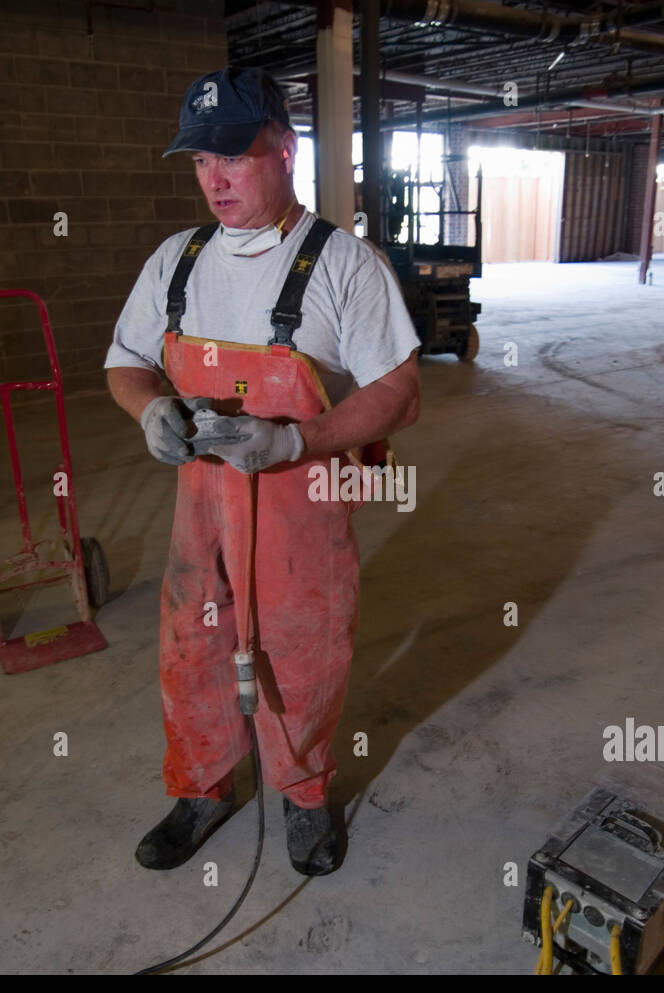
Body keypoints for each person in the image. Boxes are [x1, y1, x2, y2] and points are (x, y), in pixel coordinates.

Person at [104, 66, 421, 876]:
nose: (214, 178)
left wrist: (295, 442)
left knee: (300, 648)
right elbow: (125, 363)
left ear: (284, 149)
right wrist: (148, 410)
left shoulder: (343, 265)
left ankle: (306, 795)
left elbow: (399, 392)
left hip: (299, 500)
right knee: (190, 644)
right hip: (200, 501)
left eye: (233, 157)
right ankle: (204, 788)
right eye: (199, 161)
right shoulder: (178, 260)